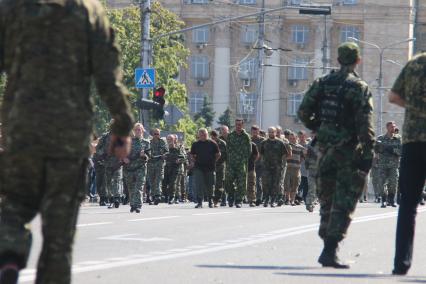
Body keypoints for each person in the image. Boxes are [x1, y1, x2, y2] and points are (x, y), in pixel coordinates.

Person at [0, 0, 134, 283]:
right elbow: (107, 77)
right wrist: (122, 126)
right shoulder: (87, 10)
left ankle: (9, 254)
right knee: (59, 234)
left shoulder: (11, 6)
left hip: (21, 129)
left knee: (14, 204)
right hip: (69, 136)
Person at [298, 42, 375, 269]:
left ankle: (327, 245)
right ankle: (330, 248)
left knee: (326, 197)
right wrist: (368, 151)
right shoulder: (358, 87)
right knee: (344, 200)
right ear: (357, 61)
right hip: (348, 151)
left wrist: (318, 127)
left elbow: (303, 111)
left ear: (339, 59)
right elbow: (365, 124)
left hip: (324, 150)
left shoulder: (322, 83)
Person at [388, 53, 426, 275]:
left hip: (413, 141)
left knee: (408, 205)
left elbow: (393, 96)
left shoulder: (414, 64)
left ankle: (401, 263)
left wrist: (414, 108)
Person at [123, 123, 150, 213]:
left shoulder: (146, 142)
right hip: (129, 168)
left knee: (139, 187)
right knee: (131, 188)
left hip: (140, 168)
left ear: (142, 131)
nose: (138, 131)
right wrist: (124, 158)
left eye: (139, 130)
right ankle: (132, 204)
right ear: (134, 131)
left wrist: (143, 156)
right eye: (136, 130)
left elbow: (149, 157)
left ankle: (138, 205)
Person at [224, 119, 252, 208]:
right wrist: (230, 158)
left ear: (242, 125)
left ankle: (239, 200)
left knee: (241, 183)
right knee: (228, 181)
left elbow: (249, 150)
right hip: (231, 163)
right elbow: (227, 149)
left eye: (239, 125)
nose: (238, 126)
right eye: (236, 125)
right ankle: (231, 196)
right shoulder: (230, 136)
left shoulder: (246, 136)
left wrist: (243, 159)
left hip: (241, 163)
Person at [259, 127, 289, 207]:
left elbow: (285, 154)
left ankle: (273, 200)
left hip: (277, 167)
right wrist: (262, 162)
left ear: (275, 133)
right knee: (265, 183)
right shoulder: (264, 143)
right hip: (266, 167)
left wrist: (282, 165)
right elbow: (261, 154)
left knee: (275, 184)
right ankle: (266, 199)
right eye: (269, 132)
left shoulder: (280, 143)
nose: (271, 133)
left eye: (272, 132)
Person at [190, 129, 220, 208]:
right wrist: (194, 161)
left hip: (210, 167)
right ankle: (200, 202)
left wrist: (213, 161)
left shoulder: (212, 143)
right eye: (201, 135)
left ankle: (211, 201)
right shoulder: (195, 144)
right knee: (199, 185)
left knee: (210, 185)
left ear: (207, 135)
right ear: (198, 135)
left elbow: (218, 154)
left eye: (205, 134)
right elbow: (192, 154)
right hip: (199, 167)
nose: (203, 136)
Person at [374, 121, 402, 208]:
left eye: (394, 126)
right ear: (387, 128)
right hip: (382, 164)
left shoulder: (398, 138)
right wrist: (379, 148)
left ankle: (391, 200)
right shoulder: (381, 138)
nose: (393, 128)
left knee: (393, 183)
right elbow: (376, 150)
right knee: (381, 183)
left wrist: (392, 150)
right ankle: (384, 200)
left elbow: (401, 151)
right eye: (391, 127)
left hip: (394, 165)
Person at [163, 134, 186, 204]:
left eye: (171, 139)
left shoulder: (178, 148)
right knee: (164, 184)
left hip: (176, 168)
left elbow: (184, 157)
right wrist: (163, 157)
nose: (169, 141)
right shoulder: (164, 148)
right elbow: (160, 156)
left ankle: (173, 197)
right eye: (168, 139)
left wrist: (179, 160)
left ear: (174, 140)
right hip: (166, 168)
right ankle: (166, 196)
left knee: (174, 183)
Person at [147, 128, 168, 205]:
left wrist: (164, 155)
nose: (156, 135)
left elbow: (167, 151)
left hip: (159, 163)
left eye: (158, 134)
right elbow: (146, 151)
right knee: (152, 180)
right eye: (155, 134)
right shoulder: (149, 142)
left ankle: (158, 195)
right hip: (151, 163)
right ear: (152, 134)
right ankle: (153, 196)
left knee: (158, 180)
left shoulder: (162, 141)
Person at [285, 132, 305, 206]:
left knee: (295, 184)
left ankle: (292, 200)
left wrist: (299, 162)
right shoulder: (286, 146)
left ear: (297, 138)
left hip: (296, 168)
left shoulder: (300, 147)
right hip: (287, 167)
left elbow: (303, 156)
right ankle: (287, 199)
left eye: (293, 138)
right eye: (290, 138)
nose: (292, 140)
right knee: (287, 184)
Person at [211, 130, 227, 207]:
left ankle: (222, 199)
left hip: (220, 166)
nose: (214, 137)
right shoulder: (209, 143)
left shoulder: (223, 143)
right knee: (211, 184)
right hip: (211, 166)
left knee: (220, 184)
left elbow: (226, 155)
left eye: (215, 136)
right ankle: (212, 200)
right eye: (212, 136)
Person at [251, 125, 265, 206]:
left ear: (258, 131)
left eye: (256, 132)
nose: (255, 133)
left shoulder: (262, 140)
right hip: (251, 164)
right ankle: (251, 197)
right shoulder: (249, 139)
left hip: (260, 164)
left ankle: (259, 197)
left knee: (258, 181)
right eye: (253, 132)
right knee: (251, 182)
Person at [247, 140, 259, 207]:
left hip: (250, 167)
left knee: (251, 184)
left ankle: (252, 200)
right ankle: (239, 199)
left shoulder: (252, 144)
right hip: (240, 167)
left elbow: (257, 155)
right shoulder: (239, 143)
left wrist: (252, 161)